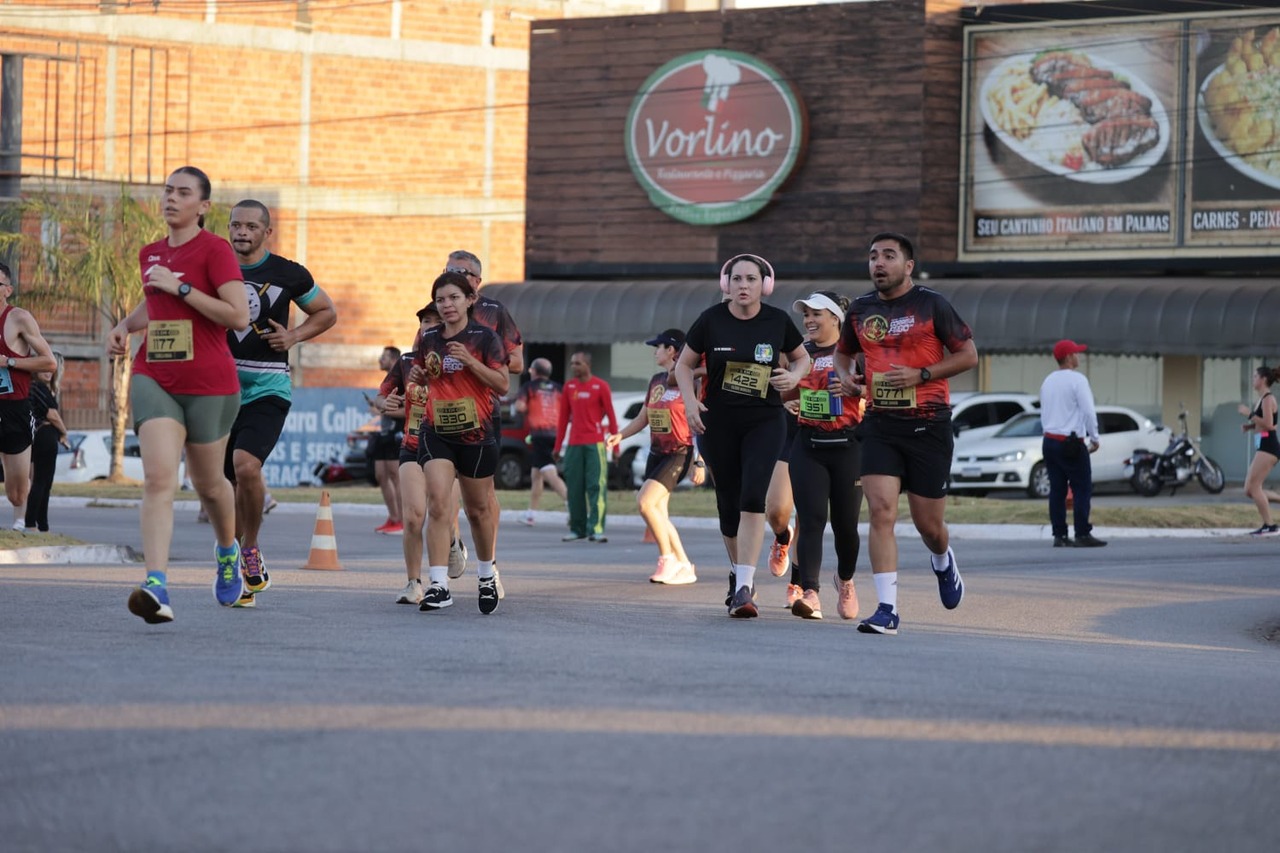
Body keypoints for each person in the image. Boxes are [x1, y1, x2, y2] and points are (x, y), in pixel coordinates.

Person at [111, 166, 250, 624]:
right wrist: (126, 326)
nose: (171, 198)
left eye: (183, 192)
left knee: (211, 485)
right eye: (168, 190)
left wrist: (184, 287)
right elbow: (155, 302)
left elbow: (237, 317)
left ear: (203, 206)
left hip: (210, 384)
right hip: (155, 375)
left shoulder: (216, 251)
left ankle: (228, 552)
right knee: (158, 480)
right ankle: (156, 585)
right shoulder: (150, 253)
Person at [834, 232, 976, 635]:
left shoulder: (931, 304)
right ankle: (887, 609)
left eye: (889, 256)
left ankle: (943, 559)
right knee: (880, 512)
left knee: (928, 526)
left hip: (929, 424)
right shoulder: (860, 310)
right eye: (873, 256)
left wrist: (921, 374)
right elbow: (842, 353)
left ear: (908, 265)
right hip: (880, 425)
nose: (878, 263)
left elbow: (969, 355)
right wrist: (846, 378)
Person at [675, 253, 809, 618]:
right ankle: (739, 575)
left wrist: (794, 377)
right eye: (736, 279)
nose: (744, 286)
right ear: (727, 284)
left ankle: (745, 590)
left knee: (753, 498)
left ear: (764, 285)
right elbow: (683, 364)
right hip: (718, 422)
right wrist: (689, 404)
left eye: (751, 279)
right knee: (728, 504)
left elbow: (802, 359)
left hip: (764, 420)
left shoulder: (777, 321)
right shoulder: (711, 320)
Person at [222, 199, 337, 606]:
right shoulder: (213, 267)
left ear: (266, 232)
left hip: (267, 386)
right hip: (218, 389)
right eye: (236, 225)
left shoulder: (288, 273)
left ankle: (247, 549)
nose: (241, 232)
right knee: (224, 484)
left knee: (245, 466)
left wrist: (293, 337)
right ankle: (233, 566)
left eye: (251, 226)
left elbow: (326, 312)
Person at [412, 270, 509, 614]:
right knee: (438, 502)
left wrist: (470, 361)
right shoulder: (428, 339)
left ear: (470, 300)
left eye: (453, 297)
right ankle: (439, 584)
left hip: (477, 434)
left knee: (478, 510)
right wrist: (419, 375)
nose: (447, 305)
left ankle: (487, 573)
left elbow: (502, 384)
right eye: (440, 300)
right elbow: (425, 373)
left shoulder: (485, 339)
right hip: (437, 429)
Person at [784, 292, 865, 620]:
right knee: (812, 520)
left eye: (816, 314)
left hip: (849, 447)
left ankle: (845, 580)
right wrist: (786, 400)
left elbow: (877, 392)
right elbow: (786, 391)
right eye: (805, 315)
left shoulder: (856, 353)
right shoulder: (799, 354)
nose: (809, 320)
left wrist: (855, 390)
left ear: (835, 318)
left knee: (846, 527)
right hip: (809, 446)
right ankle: (811, 592)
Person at [379, 301, 467, 604]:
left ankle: (452, 544)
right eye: (424, 321)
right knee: (414, 516)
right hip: (413, 446)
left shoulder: (454, 361)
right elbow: (383, 396)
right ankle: (413, 583)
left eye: (434, 320)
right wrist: (387, 405)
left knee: (442, 513)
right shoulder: (405, 361)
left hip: (448, 447)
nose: (428, 326)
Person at [441, 251, 522, 571]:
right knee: (440, 485)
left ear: (477, 281)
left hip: (482, 410)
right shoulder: (437, 309)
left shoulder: (493, 312)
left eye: (459, 271)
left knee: (482, 496)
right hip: (441, 409)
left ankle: (489, 557)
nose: (451, 275)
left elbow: (517, 362)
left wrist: (478, 356)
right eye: (447, 270)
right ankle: (452, 543)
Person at [607, 329, 700, 584]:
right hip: (656, 452)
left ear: (671, 350)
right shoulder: (656, 380)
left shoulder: (690, 380)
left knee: (645, 503)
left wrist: (700, 461)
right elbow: (642, 418)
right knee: (659, 512)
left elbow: (700, 421)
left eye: (657, 347)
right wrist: (620, 436)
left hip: (679, 452)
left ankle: (667, 559)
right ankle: (684, 564)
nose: (654, 352)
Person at [0, 261, 58, 532]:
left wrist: (9, 362)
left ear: (7, 290)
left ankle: (21, 521)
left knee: (17, 491)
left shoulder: (19, 319)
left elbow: (49, 363)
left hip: (14, 408)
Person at [1040, 339, 1106, 549]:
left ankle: (1059, 535)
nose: (1079, 356)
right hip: (1071, 443)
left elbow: (1044, 412)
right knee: (1081, 487)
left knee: (1057, 490)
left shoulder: (1048, 381)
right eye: (1076, 353)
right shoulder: (1078, 380)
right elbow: (1088, 411)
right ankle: (1082, 533)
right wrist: (1094, 438)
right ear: (1068, 357)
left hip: (1049, 440)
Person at [555, 351, 617, 543]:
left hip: (595, 444)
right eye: (572, 363)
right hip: (574, 445)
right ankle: (577, 528)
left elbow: (613, 418)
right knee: (574, 488)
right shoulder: (569, 387)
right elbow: (563, 419)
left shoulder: (601, 386)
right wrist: (558, 446)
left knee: (596, 486)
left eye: (578, 363)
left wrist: (616, 448)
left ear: (587, 365)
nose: (573, 366)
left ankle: (596, 528)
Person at [515, 357, 567, 525]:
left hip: (539, 434)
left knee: (549, 473)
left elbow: (520, 407)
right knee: (536, 474)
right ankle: (531, 514)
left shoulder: (529, 387)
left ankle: (573, 506)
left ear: (534, 371)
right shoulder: (559, 388)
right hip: (557, 434)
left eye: (530, 369)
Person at [25, 351, 70, 533]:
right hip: (45, 436)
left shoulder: (37, 387)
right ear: (36, 369)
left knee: (43, 482)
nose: (49, 372)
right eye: (44, 368)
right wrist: (64, 432)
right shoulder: (38, 387)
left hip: (41, 437)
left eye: (51, 369)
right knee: (42, 483)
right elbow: (53, 415)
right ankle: (31, 524)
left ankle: (42, 525)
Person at [1239, 365, 1280, 536]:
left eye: (1255, 376)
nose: (1253, 379)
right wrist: (1250, 427)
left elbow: (1270, 425)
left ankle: (1269, 525)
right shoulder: (1262, 399)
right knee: (1249, 490)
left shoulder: (1268, 399)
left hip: (1268, 447)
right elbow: (1266, 423)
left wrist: (1249, 414)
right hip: (1262, 446)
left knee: (1254, 487)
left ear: (1263, 379)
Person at [371, 345, 404, 534]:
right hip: (384, 434)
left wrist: (386, 409)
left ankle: (402, 519)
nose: (380, 360)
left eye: (383, 357)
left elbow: (408, 409)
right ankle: (393, 517)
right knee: (380, 475)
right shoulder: (387, 380)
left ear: (393, 359)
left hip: (397, 433)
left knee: (395, 475)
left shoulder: (401, 379)